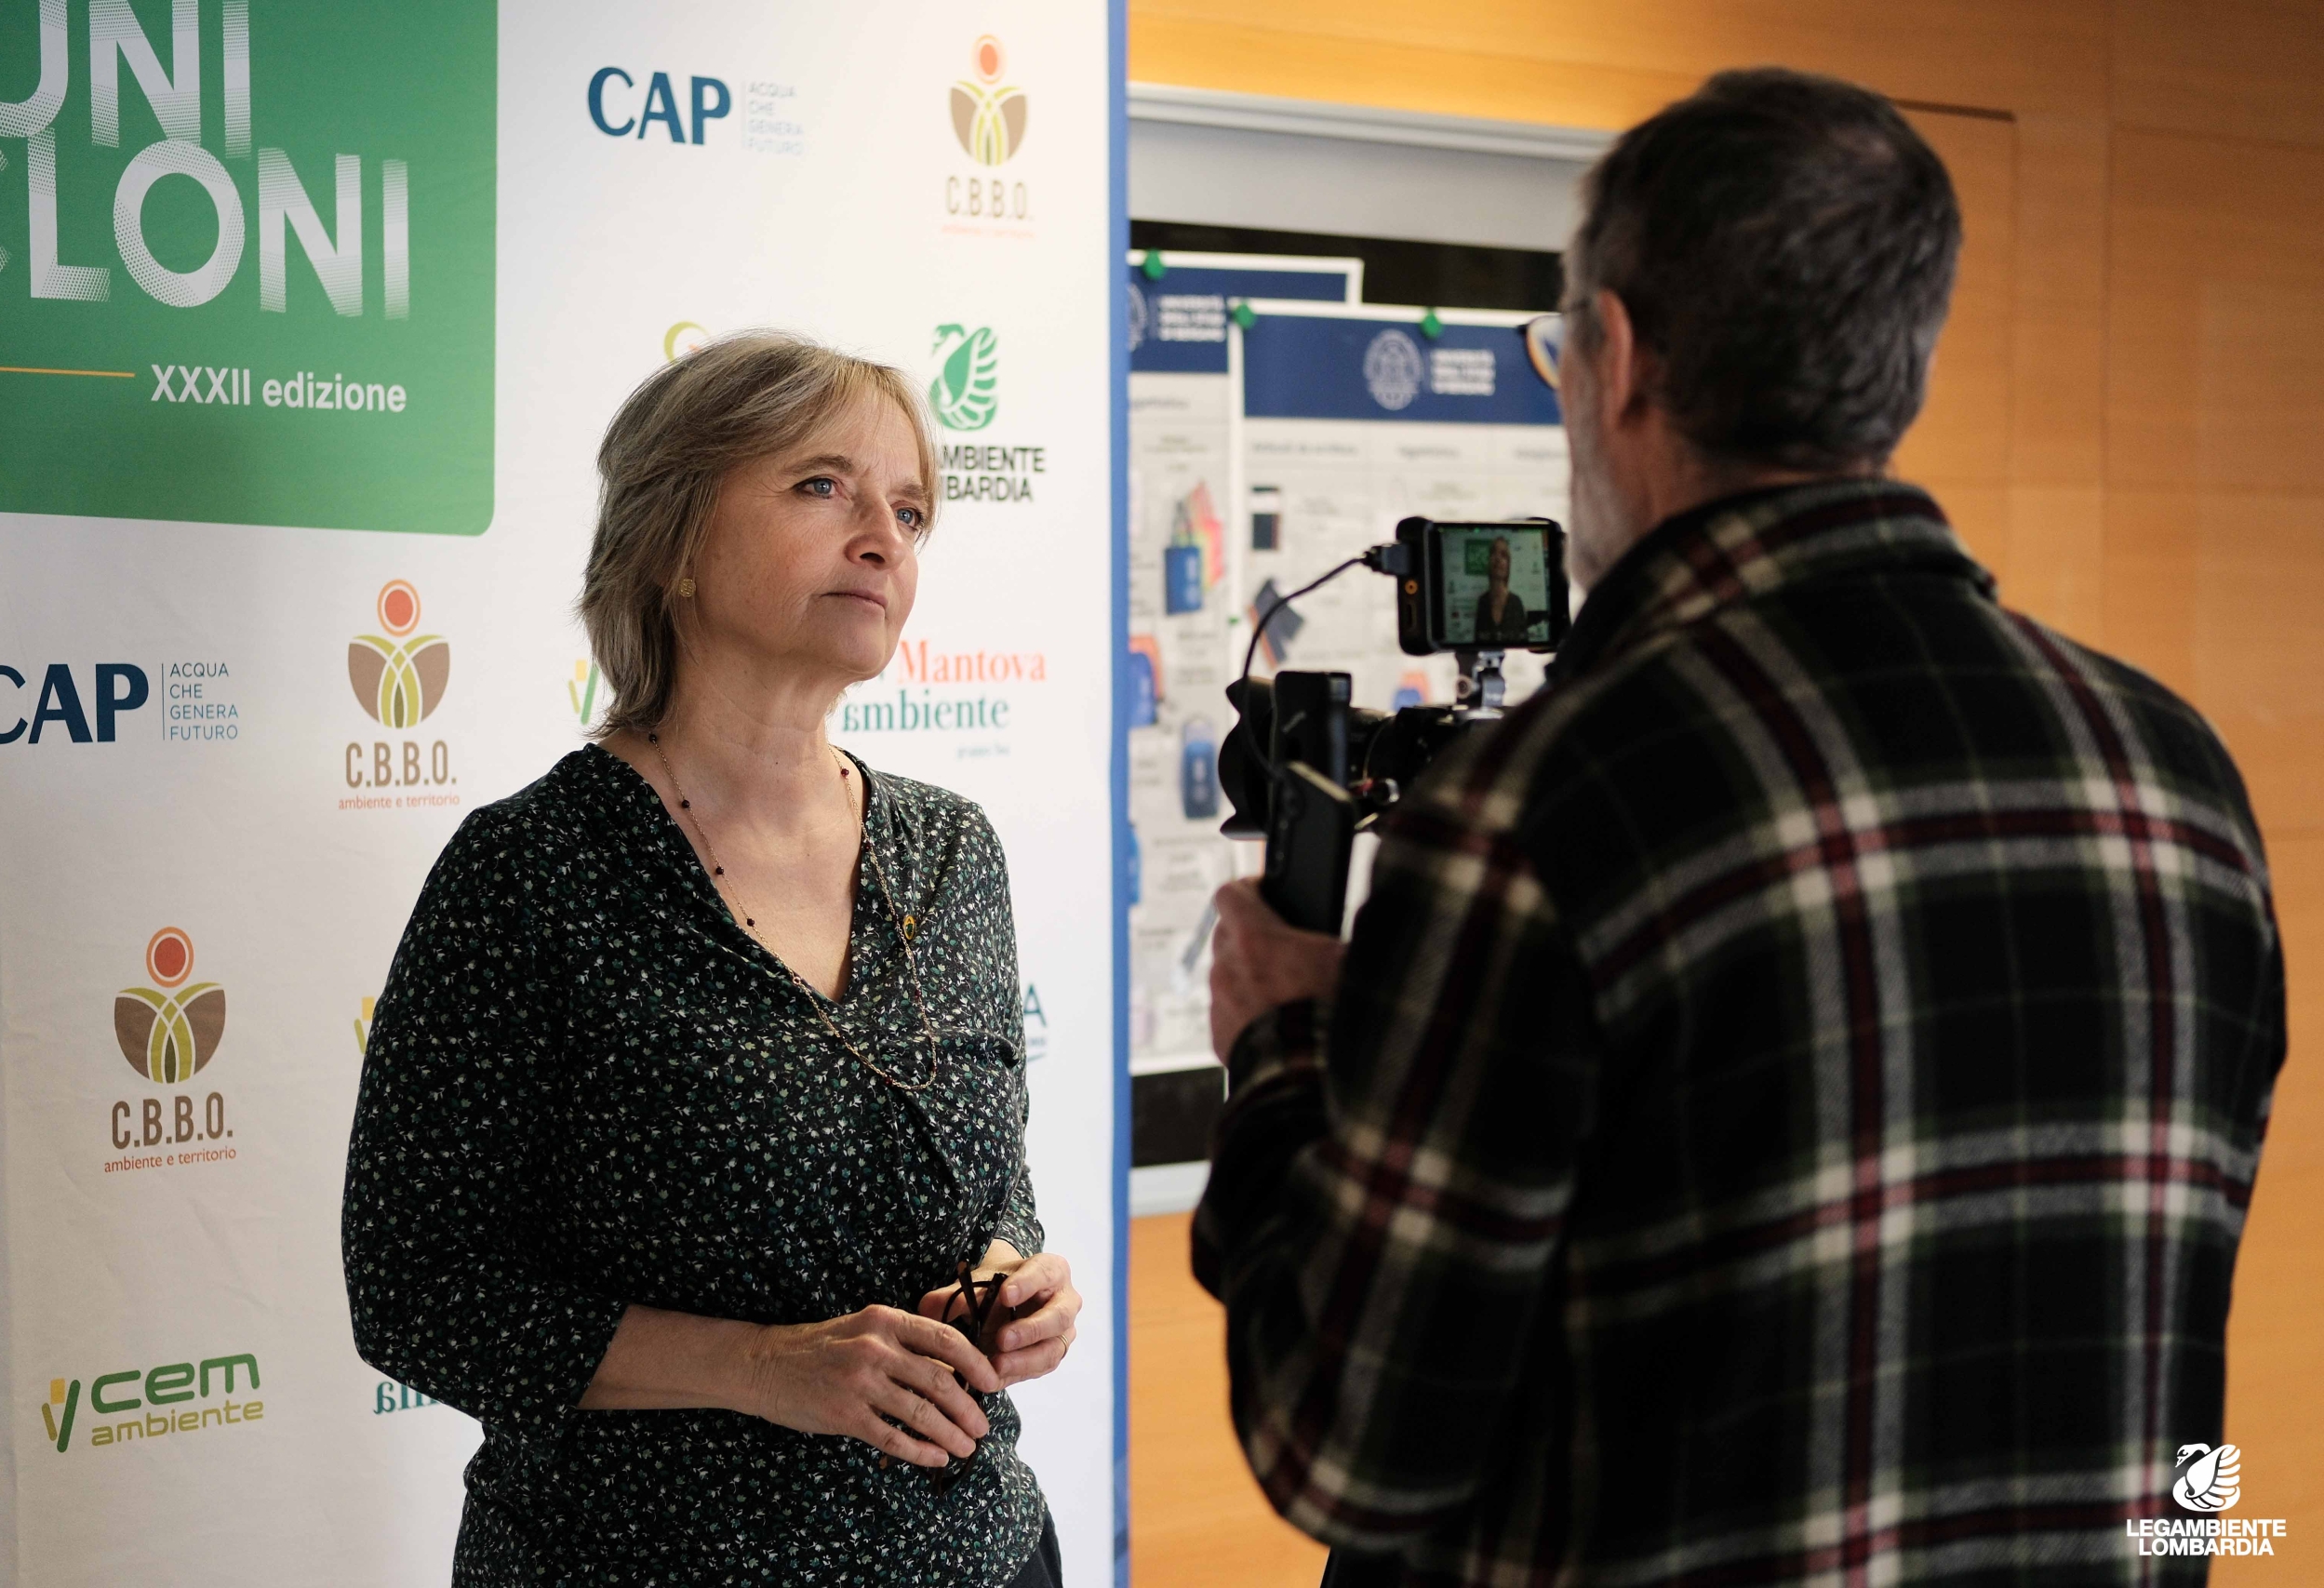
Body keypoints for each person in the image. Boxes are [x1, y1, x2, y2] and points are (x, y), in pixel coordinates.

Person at [1197, 68, 2283, 1588]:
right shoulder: (2178, 781)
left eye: (1557, 350)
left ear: (1618, 355)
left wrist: (1284, 1047)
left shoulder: (1547, 807)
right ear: (1896, 371)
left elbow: (1348, 1442)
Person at [342, 332, 1079, 1587]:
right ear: (673, 542)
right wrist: (763, 1366)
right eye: (822, 486)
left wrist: (1010, 1278)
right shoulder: (532, 870)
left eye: (909, 511)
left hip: (976, 1551)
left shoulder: (954, 850)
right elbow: (417, 1293)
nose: (884, 541)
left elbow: (989, 1184)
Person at [1470, 535, 1529, 644]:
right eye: (1494, 553)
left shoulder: (1516, 603)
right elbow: (1478, 643)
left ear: (1508, 565)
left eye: (1503, 555)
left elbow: (1524, 644)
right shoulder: (1482, 602)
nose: (1498, 558)